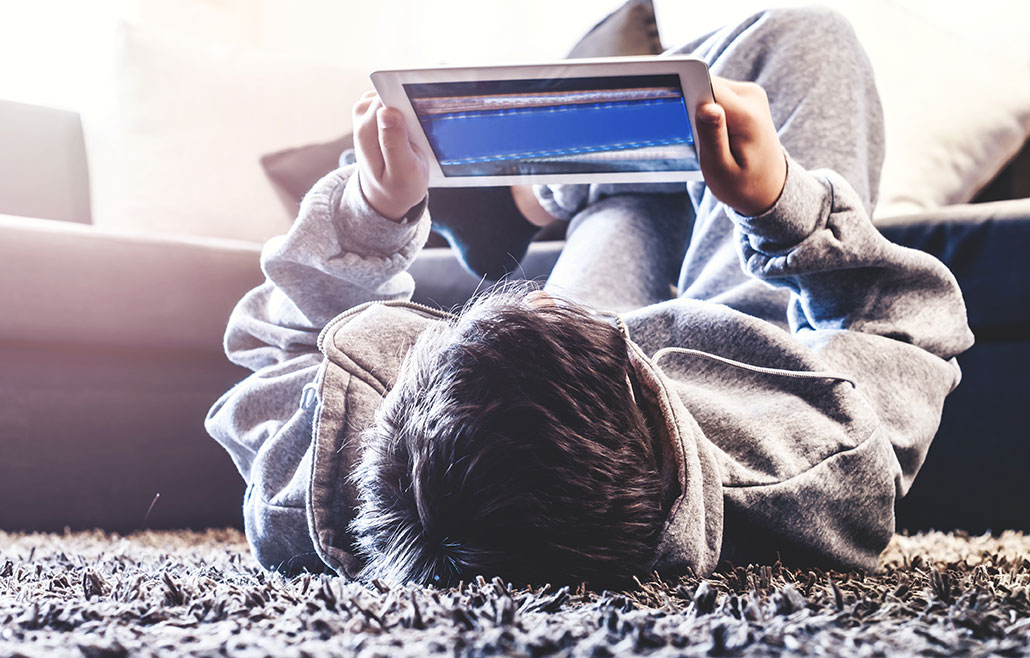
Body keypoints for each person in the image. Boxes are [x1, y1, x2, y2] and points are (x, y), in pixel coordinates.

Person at [206, 7, 973, 585]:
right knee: (805, 39)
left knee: (636, 201)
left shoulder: (314, 496)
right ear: (631, 371)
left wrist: (370, 215)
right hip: (734, 378)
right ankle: (553, 184)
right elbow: (907, 329)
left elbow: (278, 351)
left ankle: (549, 191)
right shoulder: (806, 473)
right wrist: (781, 205)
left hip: (573, 408)